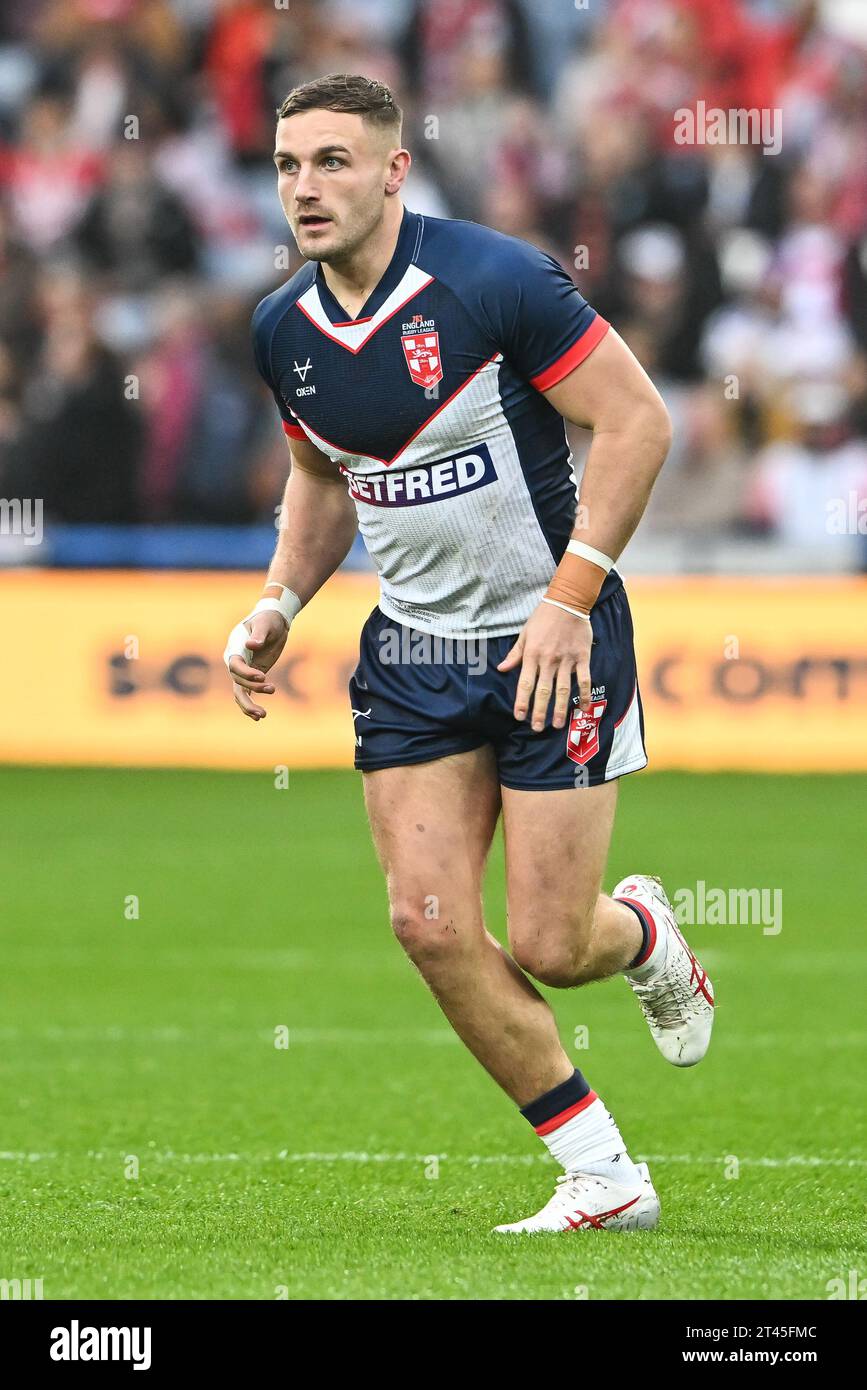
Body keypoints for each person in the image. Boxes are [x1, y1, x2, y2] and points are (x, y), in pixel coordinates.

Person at [224, 73, 714, 1234]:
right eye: (290, 164)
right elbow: (320, 476)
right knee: (429, 922)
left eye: (334, 161)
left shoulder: (494, 281)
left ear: (395, 171)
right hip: (413, 653)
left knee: (553, 939)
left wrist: (569, 595)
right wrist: (281, 598)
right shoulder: (280, 328)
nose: (306, 187)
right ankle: (606, 1176)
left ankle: (642, 931)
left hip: (554, 640)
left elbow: (640, 421)